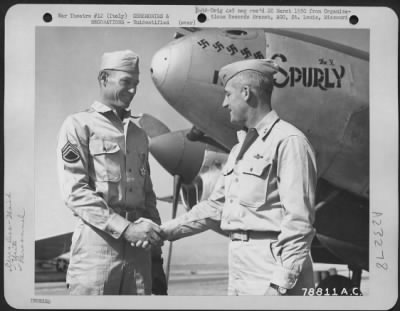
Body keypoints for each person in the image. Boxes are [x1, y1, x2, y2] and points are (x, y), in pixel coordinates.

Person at [160, 59, 318, 295]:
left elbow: (299, 222)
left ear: (246, 93)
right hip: (240, 263)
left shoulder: (288, 141)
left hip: (272, 264)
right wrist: (163, 231)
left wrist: (280, 284)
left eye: (227, 94)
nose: (224, 103)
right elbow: (215, 207)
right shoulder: (238, 151)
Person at [57, 50, 166, 295]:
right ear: (104, 78)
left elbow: (148, 196)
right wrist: (126, 229)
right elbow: (75, 192)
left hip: (140, 251)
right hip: (97, 248)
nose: (133, 90)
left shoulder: (139, 135)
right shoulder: (78, 125)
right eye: (126, 82)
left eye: (136, 84)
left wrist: (155, 259)